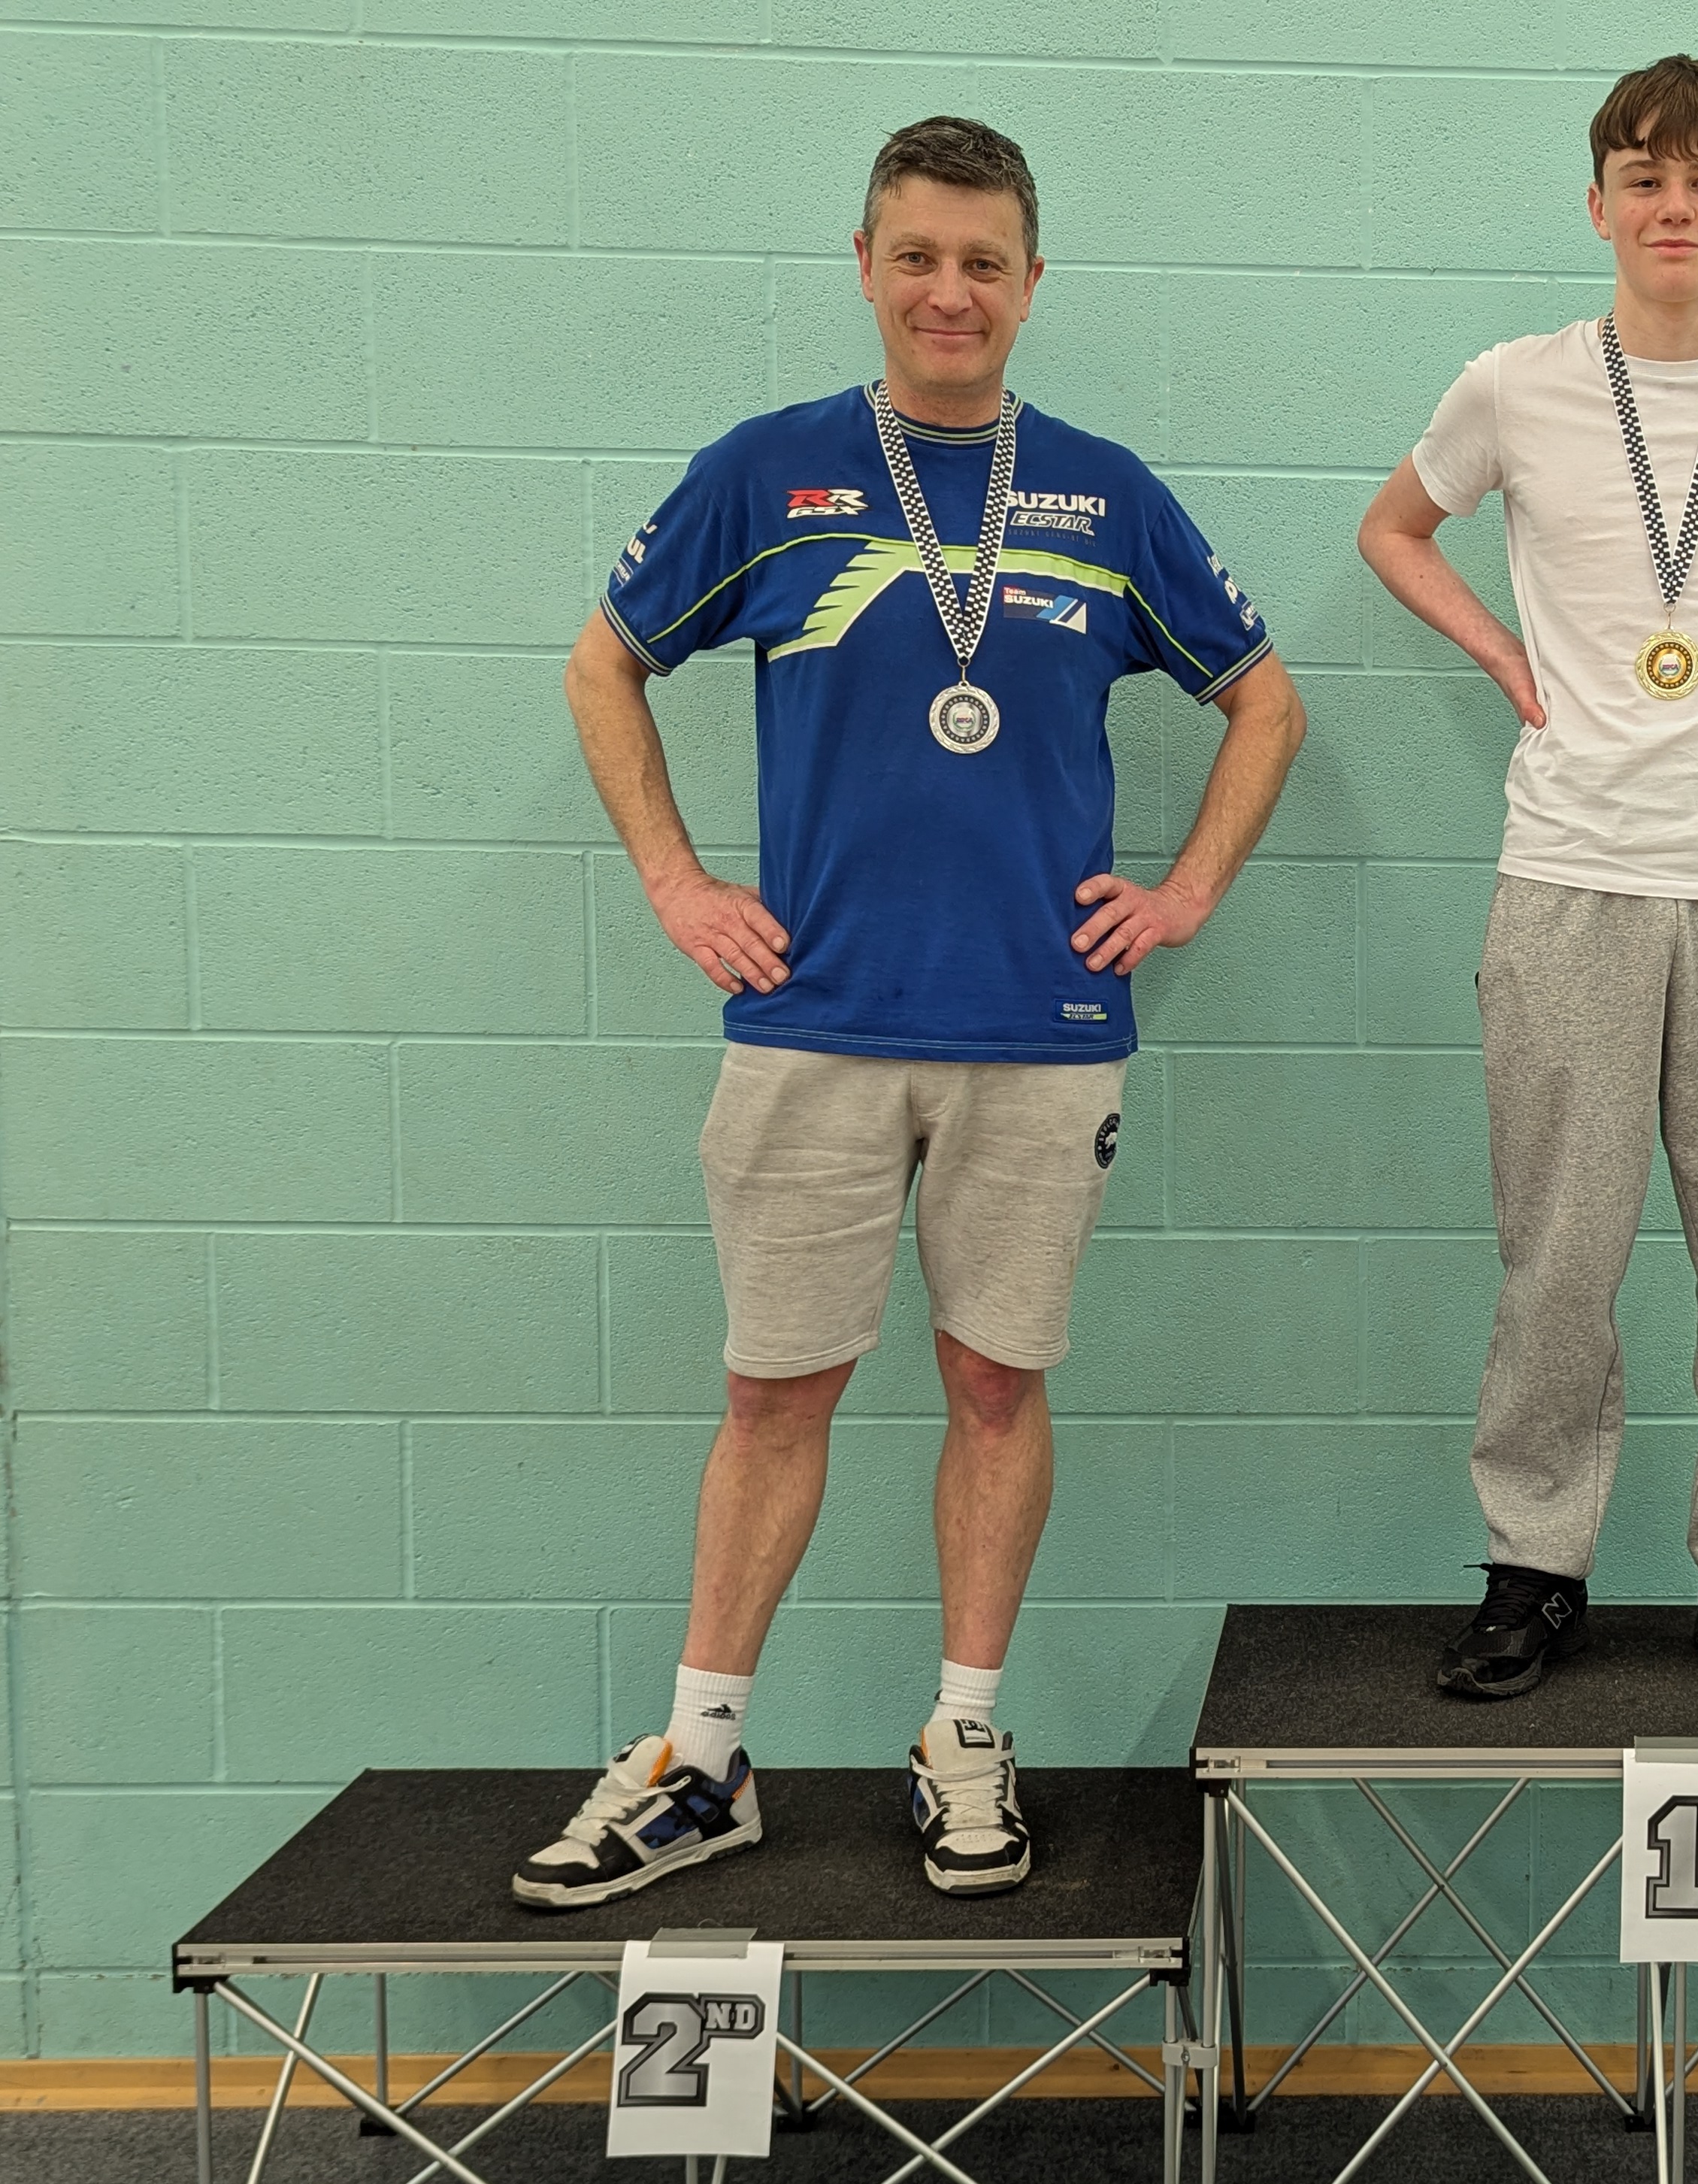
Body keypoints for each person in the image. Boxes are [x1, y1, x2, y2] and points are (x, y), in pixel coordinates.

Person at [521, 116, 1303, 1905]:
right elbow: (604, 663)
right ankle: (704, 1758)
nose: (951, 291)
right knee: (772, 1394)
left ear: (1032, 283)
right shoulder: (769, 472)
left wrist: (1184, 891)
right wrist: (677, 884)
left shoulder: (1104, 494)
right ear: (866, 268)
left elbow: (1264, 700)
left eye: (984, 263)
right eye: (919, 258)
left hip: (1042, 1033)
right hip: (814, 1022)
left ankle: (963, 1734)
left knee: (996, 1387)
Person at [1357, 56, 1698, 1703]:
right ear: (1598, 204)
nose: (1674, 207)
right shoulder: (1514, 387)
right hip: (1571, 872)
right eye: (1643, 177)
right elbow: (1394, 530)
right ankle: (1535, 1566)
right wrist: (1503, 659)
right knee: (1561, 1251)